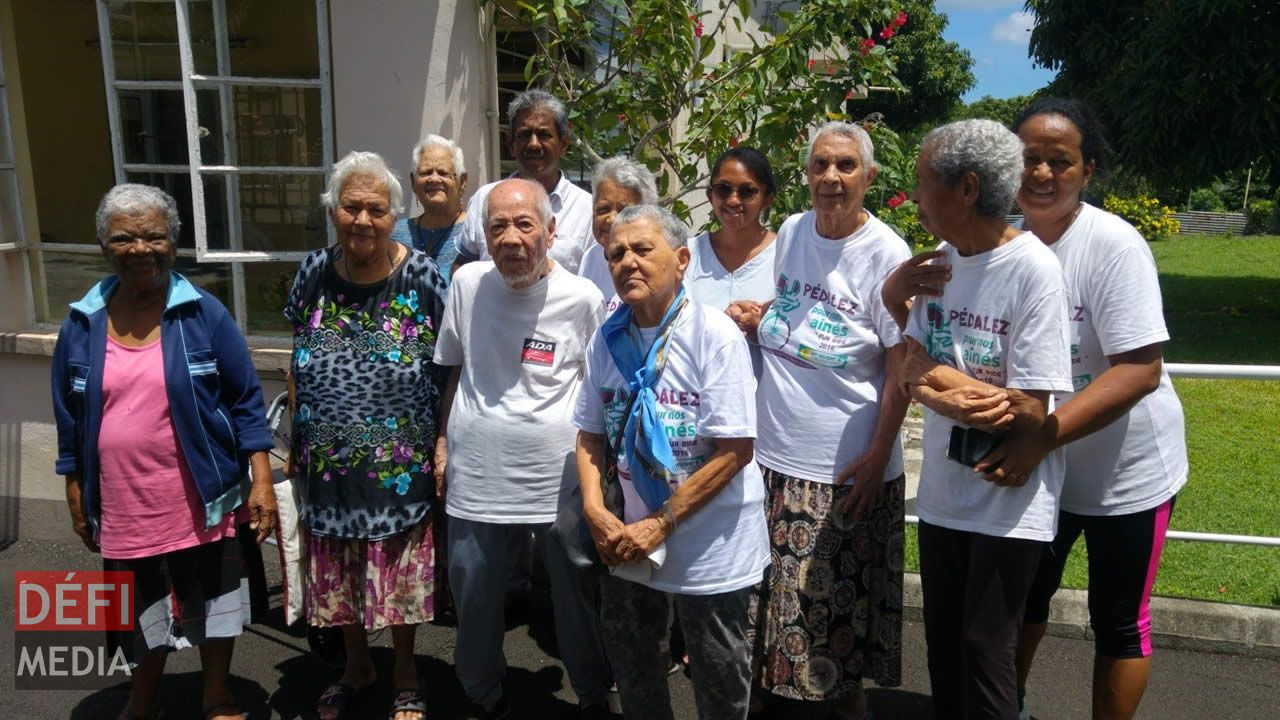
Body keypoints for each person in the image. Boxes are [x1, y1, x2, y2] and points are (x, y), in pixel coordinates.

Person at [51, 183, 277, 720]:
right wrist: (73, 484)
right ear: (105, 246)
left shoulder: (203, 314)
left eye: (154, 236)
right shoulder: (82, 323)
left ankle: (216, 692)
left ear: (173, 242)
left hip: (203, 494)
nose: (141, 249)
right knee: (135, 607)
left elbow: (245, 398)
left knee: (215, 600)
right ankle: (142, 697)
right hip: (125, 498)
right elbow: (68, 413)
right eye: (124, 238)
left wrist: (262, 479)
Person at [1001, 98, 1186, 720]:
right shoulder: (1007, 246)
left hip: (1126, 472)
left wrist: (1041, 437)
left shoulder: (1112, 245)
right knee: (1023, 598)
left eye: (1061, 161)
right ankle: (1010, 708)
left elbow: (1140, 369)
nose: (1043, 174)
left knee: (1119, 618)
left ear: (1089, 171)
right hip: (1046, 471)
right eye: (1029, 159)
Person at [897, 119, 1073, 720]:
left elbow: (1027, 410)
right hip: (945, 497)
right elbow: (904, 359)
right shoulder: (941, 264)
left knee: (985, 652)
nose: (914, 196)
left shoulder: (1033, 271)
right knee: (943, 647)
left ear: (966, 188)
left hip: (1007, 502)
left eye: (922, 182)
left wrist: (937, 385)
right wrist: (943, 387)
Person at [736, 121, 912, 719]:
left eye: (844, 166)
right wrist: (760, 316)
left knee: (832, 635)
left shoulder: (887, 254)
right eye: (820, 166)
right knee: (765, 622)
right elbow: (797, 311)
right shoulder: (790, 231)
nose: (830, 178)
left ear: (868, 176)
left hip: (843, 471)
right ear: (806, 174)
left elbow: (900, 366)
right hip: (772, 459)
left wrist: (879, 456)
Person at [574, 204, 769, 720]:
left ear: (681, 259)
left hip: (710, 540)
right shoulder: (607, 338)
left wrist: (662, 523)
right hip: (629, 533)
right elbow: (591, 434)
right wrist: (595, 509)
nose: (628, 262)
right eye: (617, 253)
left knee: (719, 675)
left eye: (643, 249)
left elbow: (735, 451)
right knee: (634, 667)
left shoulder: (713, 335)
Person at [433, 178, 613, 719]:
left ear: (552, 231)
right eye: (498, 226)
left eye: (524, 224)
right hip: (477, 467)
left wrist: (598, 475)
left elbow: (599, 389)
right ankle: (477, 692)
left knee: (574, 589)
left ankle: (592, 692)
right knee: (474, 591)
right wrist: (442, 442)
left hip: (557, 471)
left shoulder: (583, 298)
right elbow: (456, 369)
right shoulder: (465, 283)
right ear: (483, 235)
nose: (511, 238)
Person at [285, 151, 447, 720]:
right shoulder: (312, 270)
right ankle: (356, 665)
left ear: (392, 215)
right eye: (350, 207)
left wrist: (444, 440)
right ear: (332, 211)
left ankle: (405, 670)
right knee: (339, 563)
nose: (362, 220)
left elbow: (450, 365)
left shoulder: (423, 275)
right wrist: (294, 430)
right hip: (326, 458)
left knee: (397, 561)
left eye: (375, 210)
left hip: (399, 460)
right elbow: (297, 352)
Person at [455, 89, 594, 274]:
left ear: (563, 144)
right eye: (524, 134)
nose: (534, 144)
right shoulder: (484, 199)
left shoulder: (586, 210)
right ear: (511, 144)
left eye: (544, 135)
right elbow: (463, 266)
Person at [685, 146, 778, 376]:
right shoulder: (688, 255)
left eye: (747, 192)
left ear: (767, 199)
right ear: (710, 196)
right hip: (696, 399)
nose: (733, 200)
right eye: (723, 190)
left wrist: (762, 327)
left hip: (765, 404)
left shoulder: (786, 255)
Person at [578, 155, 658, 306]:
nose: (611, 219)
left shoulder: (657, 260)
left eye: (624, 210)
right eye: (603, 209)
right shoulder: (591, 257)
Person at [390, 133, 467, 286]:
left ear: (462, 181)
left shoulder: (474, 233)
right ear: (413, 181)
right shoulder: (396, 234)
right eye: (426, 172)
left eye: (443, 172)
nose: (434, 179)